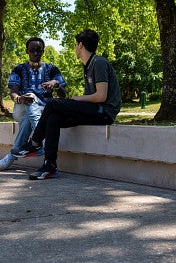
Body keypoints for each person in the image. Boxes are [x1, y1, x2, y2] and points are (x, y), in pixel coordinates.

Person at [13, 29, 121, 180]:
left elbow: (101, 96)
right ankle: (50, 166)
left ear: (81, 45)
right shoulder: (89, 65)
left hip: (104, 111)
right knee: (53, 117)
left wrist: (78, 99)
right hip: (95, 110)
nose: (75, 48)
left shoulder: (99, 63)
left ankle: (35, 142)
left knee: (53, 104)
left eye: (76, 45)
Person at [0, 37, 67, 170]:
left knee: (30, 116)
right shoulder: (18, 69)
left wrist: (56, 85)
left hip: (44, 109)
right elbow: (13, 92)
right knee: (30, 97)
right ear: (27, 51)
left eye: (39, 50)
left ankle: (12, 156)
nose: (35, 53)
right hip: (21, 107)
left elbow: (63, 94)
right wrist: (19, 99)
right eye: (32, 50)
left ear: (43, 51)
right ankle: (41, 142)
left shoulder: (52, 69)